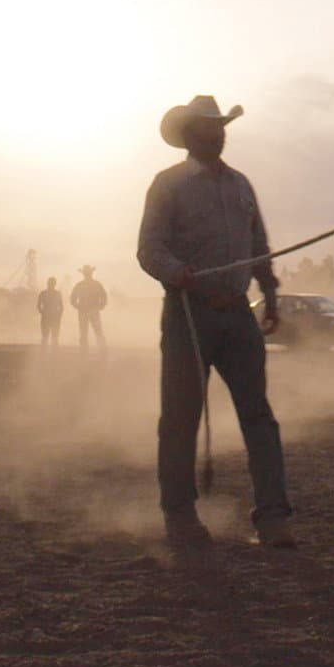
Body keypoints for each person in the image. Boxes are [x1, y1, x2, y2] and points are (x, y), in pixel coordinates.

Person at [138, 95, 295, 550]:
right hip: (189, 314)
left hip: (238, 315)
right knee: (181, 418)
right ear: (191, 135)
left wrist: (268, 293)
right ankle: (180, 516)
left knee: (259, 416)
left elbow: (259, 244)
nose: (219, 133)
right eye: (210, 127)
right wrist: (178, 274)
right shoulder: (167, 185)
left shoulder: (242, 186)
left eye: (222, 126)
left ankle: (273, 517)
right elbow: (150, 249)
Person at [70, 264, 108, 349]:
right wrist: (77, 306)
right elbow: (73, 298)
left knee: (96, 331)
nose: (87, 274)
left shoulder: (83, 285)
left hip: (91, 311)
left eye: (88, 273)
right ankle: (88, 350)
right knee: (86, 332)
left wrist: (101, 305)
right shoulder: (93, 284)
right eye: (86, 273)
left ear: (90, 273)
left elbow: (104, 296)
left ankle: (100, 349)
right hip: (86, 311)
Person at [36, 277, 64, 347]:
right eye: (51, 283)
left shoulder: (45, 293)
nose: (51, 285)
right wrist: (43, 313)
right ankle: (48, 353)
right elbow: (38, 306)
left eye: (52, 283)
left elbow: (61, 306)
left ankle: (50, 353)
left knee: (53, 337)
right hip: (49, 317)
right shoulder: (45, 293)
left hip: (51, 317)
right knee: (47, 336)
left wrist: (59, 315)